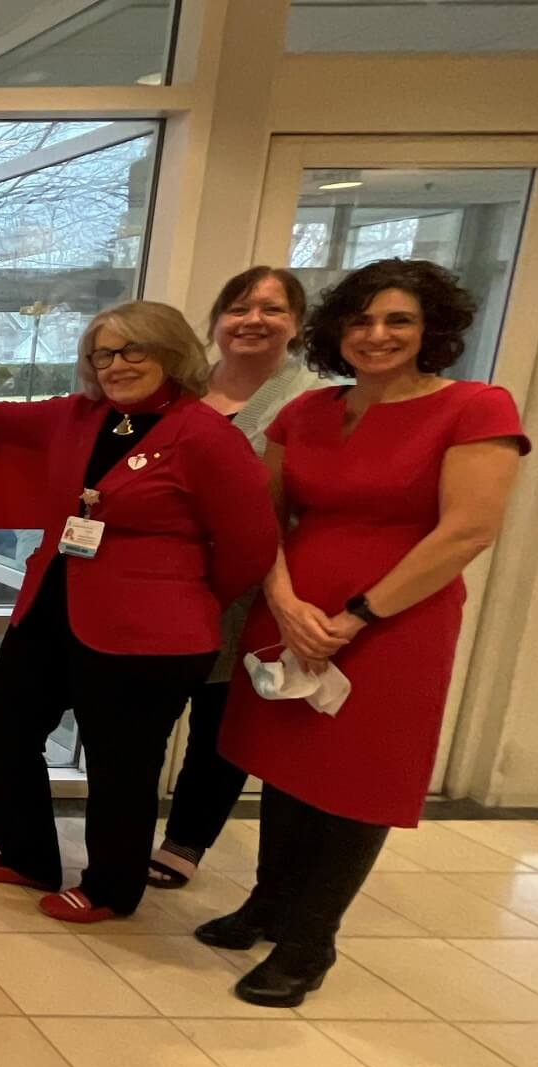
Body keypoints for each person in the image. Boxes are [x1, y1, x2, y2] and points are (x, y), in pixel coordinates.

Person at [0, 301, 278, 923]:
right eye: (102, 354)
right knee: (5, 723)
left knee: (121, 761)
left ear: (171, 353)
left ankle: (112, 887)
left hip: (150, 631)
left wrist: (185, 597)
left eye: (133, 351)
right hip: (53, 603)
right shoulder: (80, 416)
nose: (116, 366)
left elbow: (250, 546)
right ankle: (28, 856)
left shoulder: (206, 435)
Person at [204, 259, 528, 1007]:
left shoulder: (476, 408)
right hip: (293, 612)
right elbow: (268, 515)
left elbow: (468, 530)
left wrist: (358, 614)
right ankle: (268, 903)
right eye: (360, 320)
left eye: (398, 321)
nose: (376, 335)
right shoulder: (308, 413)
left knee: (355, 780)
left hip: (393, 624)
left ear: (431, 331)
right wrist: (284, 602)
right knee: (285, 765)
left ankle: (309, 940)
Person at [148, 266, 322, 888]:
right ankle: (122, 833)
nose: (253, 321)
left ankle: (185, 842)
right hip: (163, 584)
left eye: (273, 310)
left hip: (253, 586)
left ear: (297, 325)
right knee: (144, 716)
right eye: (240, 308)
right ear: (218, 320)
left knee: (220, 721)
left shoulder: (315, 399)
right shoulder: (179, 389)